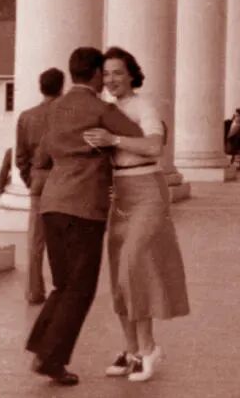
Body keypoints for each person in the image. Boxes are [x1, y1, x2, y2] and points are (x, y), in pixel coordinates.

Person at [26, 47, 144, 387]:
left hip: (52, 203)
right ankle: (50, 359)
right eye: (103, 73)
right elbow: (136, 136)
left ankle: (42, 348)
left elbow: (42, 154)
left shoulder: (54, 108)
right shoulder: (101, 109)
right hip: (84, 207)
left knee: (63, 284)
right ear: (94, 74)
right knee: (80, 288)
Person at [83, 47, 190, 383]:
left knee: (134, 265)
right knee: (120, 272)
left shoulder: (144, 106)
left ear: (131, 75)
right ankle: (131, 349)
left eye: (118, 72)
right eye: (106, 73)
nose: (111, 79)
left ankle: (148, 348)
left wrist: (113, 138)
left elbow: (154, 147)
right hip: (120, 194)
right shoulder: (105, 109)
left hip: (147, 191)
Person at [15, 67, 65, 304]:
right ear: (61, 88)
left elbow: (20, 156)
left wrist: (31, 178)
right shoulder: (68, 116)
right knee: (62, 237)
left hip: (39, 179)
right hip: (63, 179)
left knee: (35, 240)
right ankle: (63, 289)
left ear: (40, 87)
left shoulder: (26, 117)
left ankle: (34, 291)